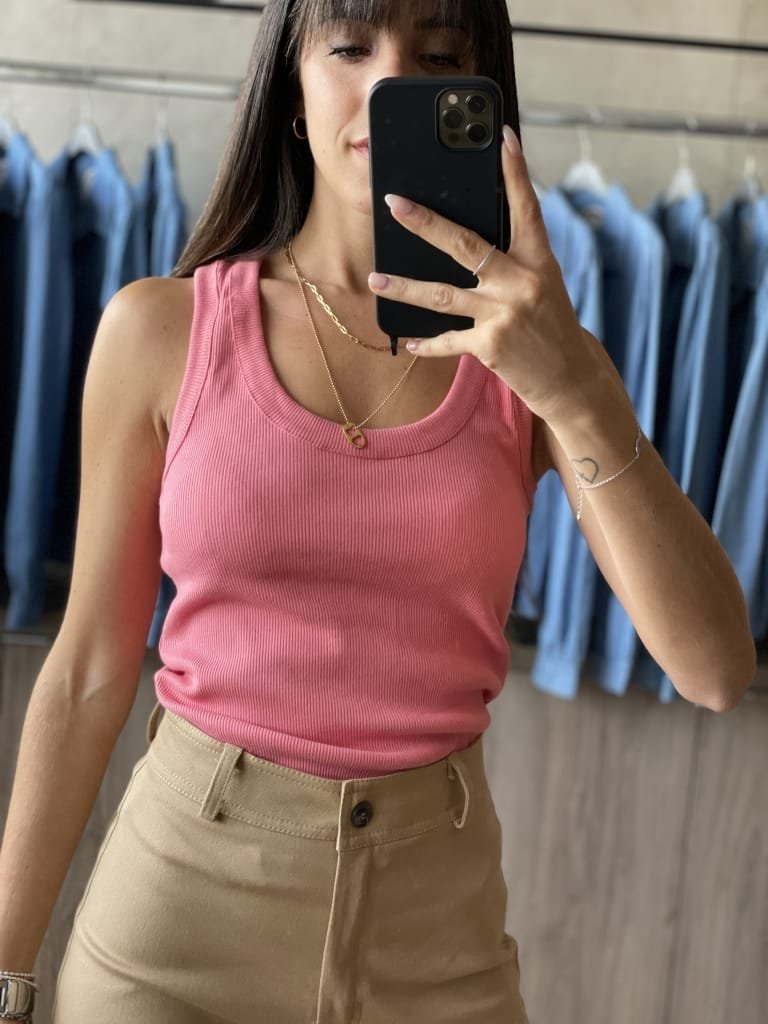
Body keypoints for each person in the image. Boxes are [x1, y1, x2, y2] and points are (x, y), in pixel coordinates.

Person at [0, 1, 757, 1022]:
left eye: (437, 55)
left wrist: (575, 385)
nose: (391, 80)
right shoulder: (161, 331)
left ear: (483, 98)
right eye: (352, 46)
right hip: (172, 936)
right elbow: (88, 670)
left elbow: (714, 667)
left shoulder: (534, 359)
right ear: (293, 89)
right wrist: (6, 967)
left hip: (436, 948)